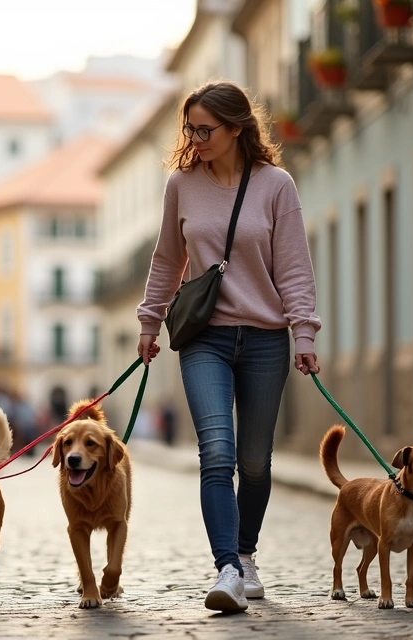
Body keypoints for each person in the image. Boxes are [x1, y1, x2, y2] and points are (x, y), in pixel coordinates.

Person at [136, 81, 321, 612]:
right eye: (189, 128)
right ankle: (227, 568)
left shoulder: (276, 185)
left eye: (205, 128)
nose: (195, 138)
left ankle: (246, 552)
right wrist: (150, 323)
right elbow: (167, 260)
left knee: (255, 461)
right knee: (216, 453)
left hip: (265, 340)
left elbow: (293, 266)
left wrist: (302, 330)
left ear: (237, 127)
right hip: (205, 339)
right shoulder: (182, 184)